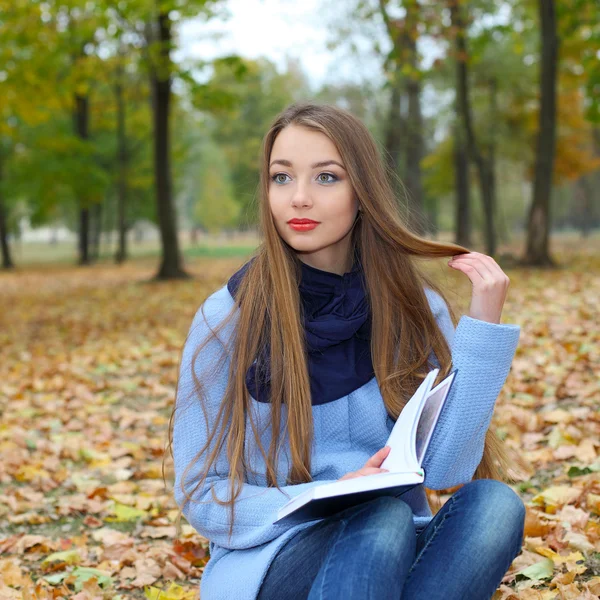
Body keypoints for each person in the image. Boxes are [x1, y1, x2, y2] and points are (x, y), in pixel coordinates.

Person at [168, 102, 526, 600]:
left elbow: (446, 470)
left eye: (326, 178)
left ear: (363, 192)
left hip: (395, 543)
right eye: (281, 177)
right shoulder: (226, 319)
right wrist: (323, 496)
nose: (299, 199)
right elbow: (201, 492)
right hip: (272, 559)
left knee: (496, 506)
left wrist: (484, 325)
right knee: (379, 518)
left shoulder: (412, 307)